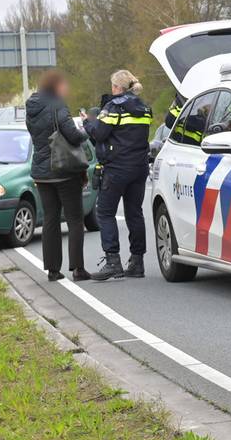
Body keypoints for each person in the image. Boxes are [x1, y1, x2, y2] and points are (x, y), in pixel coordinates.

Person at [82, 70, 153, 281]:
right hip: (139, 168)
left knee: (105, 212)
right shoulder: (143, 107)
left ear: (116, 87)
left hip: (117, 168)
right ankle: (137, 262)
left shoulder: (113, 107)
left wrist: (87, 122)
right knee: (134, 213)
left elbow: (99, 134)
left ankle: (113, 261)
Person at [26, 70, 91, 282]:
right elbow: (72, 136)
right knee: (74, 219)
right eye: (63, 85)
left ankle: (53, 270)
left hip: (42, 173)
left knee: (51, 219)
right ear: (55, 86)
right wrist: (86, 130)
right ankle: (78, 269)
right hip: (63, 171)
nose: (66, 88)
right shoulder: (57, 105)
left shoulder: (31, 107)